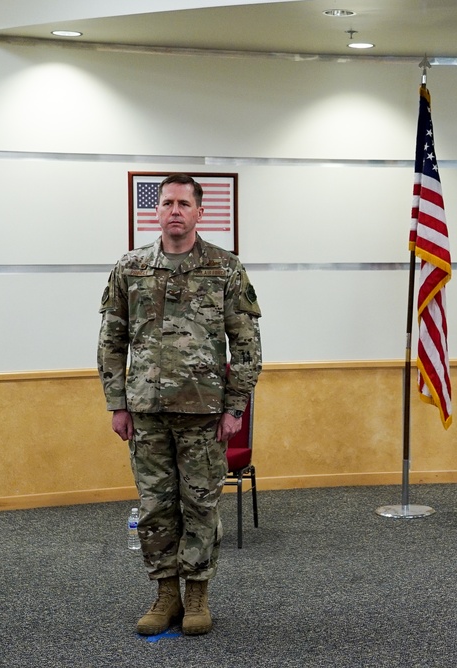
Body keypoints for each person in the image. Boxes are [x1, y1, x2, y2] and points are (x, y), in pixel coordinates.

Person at [98, 173, 262, 636]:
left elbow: (246, 344)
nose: (175, 210)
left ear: (199, 212)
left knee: (200, 505)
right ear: (157, 210)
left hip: (204, 414)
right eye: (167, 202)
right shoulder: (129, 268)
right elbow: (111, 342)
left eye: (183, 203)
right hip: (146, 412)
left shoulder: (225, 268)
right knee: (154, 506)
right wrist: (117, 403)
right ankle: (165, 593)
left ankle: (197, 597)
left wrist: (235, 409)